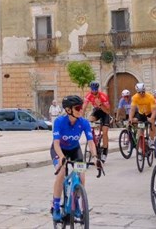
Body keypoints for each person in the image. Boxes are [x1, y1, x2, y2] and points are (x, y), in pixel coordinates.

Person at [50, 95, 98, 223]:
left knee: (81, 175)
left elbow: (91, 142)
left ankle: (76, 202)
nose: (81, 110)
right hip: (59, 150)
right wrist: (61, 157)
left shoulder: (83, 122)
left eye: (81, 107)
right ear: (68, 110)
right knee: (61, 172)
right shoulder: (59, 121)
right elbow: (56, 143)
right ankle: (55, 207)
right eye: (77, 108)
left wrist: (95, 157)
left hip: (74, 149)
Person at [84, 81, 110, 160]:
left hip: (105, 112)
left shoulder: (103, 96)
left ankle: (105, 151)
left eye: (95, 90)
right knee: (90, 119)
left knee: (105, 132)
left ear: (97, 89)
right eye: (92, 89)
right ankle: (93, 138)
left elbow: (108, 111)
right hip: (97, 111)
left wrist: (100, 104)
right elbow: (84, 107)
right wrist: (80, 118)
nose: (94, 91)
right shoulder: (89, 95)